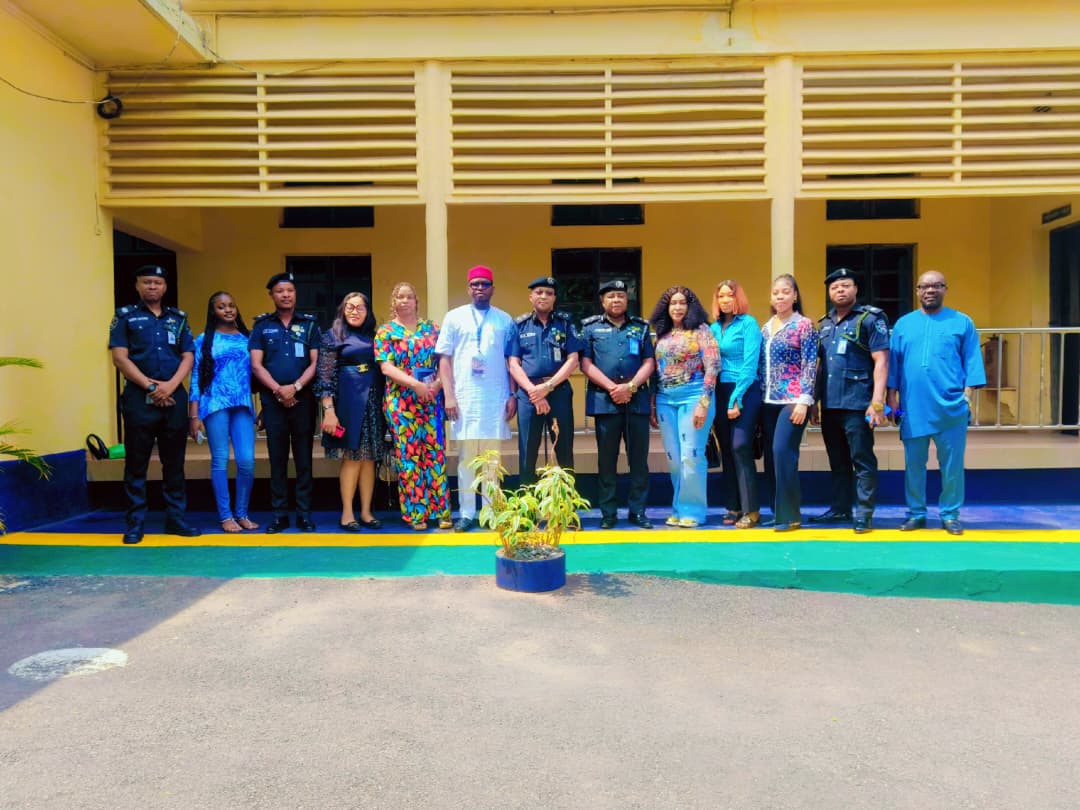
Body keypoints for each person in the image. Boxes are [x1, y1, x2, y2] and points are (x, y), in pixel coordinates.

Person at [887, 270, 985, 535]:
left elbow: (972, 361)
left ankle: (950, 514)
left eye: (936, 285)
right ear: (917, 291)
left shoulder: (962, 322)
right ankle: (916, 513)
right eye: (924, 286)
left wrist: (966, 397)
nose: (930, 290)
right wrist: (891, 398)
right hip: (913, 407)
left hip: (951, 407)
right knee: (914, 465)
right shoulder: (904, 325)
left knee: (952, 466)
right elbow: (893, 365)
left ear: (945, 289)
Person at [108, 264, 201, 545]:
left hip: (173, 397)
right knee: (136, 463)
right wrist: (151, 387)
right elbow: (120, 358)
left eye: (157, 283)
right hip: (139, 398)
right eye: (147, 282)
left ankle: (176, 519)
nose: (152, 287)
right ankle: (135, 523)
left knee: (174, 463)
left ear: (165, 287)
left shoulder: (178, 318)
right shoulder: (125, 317)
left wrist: (169, 386)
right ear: (137, 285)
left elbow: (188, 355)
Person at [435, 265, 516, 532]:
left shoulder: (504, 320)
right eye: (474, 284)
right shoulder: (454, 317)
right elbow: (444, 359)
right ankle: (467, 513)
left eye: (484, 284)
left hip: (495, 398)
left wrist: (512, 395)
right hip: (464, 398)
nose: (479, 288)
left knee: (492, 461)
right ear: (468, 288)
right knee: (466, 460)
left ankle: (491, 512)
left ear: (492, 288)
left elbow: (511, 361)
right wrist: (449, 396)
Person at [810, 267, 890, 534]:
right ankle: (841, 509)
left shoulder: (870, 319)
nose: (840, 290)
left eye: (845, 285)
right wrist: (814, 400)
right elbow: (821, 366)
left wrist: (877, 402)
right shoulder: (825, 324)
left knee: (862, 459)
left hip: (858, 403)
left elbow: (881, 361)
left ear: (855, 289)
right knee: (838, 460)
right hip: (830, 404)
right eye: (834, 287)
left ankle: (864, 514)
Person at [375, 282, 453, 531]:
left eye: (409, 297)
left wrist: (438, 385)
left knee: (435, 453)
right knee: (409, 457)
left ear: (416, 301)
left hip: (431, 400)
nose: (405, 301)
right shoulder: (386, 332)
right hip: (401, 403)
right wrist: (415, 385)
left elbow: (445, 360)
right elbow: (386, 368)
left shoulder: (432, 328)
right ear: (394, 302)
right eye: (400, 297)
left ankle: (441, 511)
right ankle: (416, 513)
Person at [580, 280, 656, 530]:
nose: (616, 300)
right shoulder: (590, 328)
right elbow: (586, 364)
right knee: (606, 460)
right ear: (603, 301)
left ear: (627, 300)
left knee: (639, 460)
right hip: (605, 402)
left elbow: (649, 362)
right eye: (611, 296)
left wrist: (629, 387)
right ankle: (608, 513)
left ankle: (638, 511)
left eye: (620, 296)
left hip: (636, 401)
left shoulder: (640, 327)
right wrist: (613, 388)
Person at [249, 271, 321, 533]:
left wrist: (296, 387)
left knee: (304, 460)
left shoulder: (310, 325)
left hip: (303, 401)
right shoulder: (261, 326)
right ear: (272, 295)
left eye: (290, 290)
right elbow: (256, 365)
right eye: (280, 291)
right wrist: (279, 390)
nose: (286, 295)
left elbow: (316, 362)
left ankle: (304, 514)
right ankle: (279, 515)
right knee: (277, 460)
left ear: (295, 294)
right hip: (273, 402)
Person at [649, 285, 719, 528]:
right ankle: (678, 508)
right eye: (673, 303)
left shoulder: (701, 330)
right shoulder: (662, 333)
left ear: (690, 307)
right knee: (674, 458)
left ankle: (694, 511)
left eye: (682, 303)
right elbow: (656, 371)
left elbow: (713, 366)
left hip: (694, 397)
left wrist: (704, 402)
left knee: (691, 455)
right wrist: (652, 404)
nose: (677, 307)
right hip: (665, 401)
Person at [188, 291, 258, 534]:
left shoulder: (248, 338)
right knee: (220, 459)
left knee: (246, 461)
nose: (228, 310)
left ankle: (242, 513)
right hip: (214, 404)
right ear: (213, 311)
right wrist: (194, 415)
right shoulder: (203, 339)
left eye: (231, 305)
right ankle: (226, 516)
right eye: (221, 306)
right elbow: (195, 377)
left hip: (242, 405)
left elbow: (258, 371)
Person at [316, 292, 386, 532]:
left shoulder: (375, 336)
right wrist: (329, 410)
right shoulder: (332, 336)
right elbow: (324, 376)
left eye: (360, 307)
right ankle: (347, 513)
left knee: (369, 458)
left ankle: (366, 512)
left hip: (373, 400)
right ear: (342, 310)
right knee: (353, 456)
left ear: (368, 312)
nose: (355, 311)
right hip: (347, 400)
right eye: (350, 307)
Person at [506, 276, 584, 485]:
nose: (544, 296)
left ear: (554, 298)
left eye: (549, 293)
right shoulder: (519, 325)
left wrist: (547, 387)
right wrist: (534, 391)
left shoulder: (565, 323)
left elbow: (573, 360)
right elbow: (513, 364)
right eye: (539, 292)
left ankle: (566, 500)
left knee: (564, 448)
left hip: (558, 391)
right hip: (528, 395)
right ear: (530, 297)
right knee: (527, 450)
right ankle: (527, 501)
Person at [759, 273, 819, 532]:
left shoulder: (804, 325)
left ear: (795, 296)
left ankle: (791, 515)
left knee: (783, 452)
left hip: (793, 400)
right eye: (775, 293)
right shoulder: (766, 327)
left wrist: (805, 400)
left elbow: (810, 364)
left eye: (785, 292)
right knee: (771, 457)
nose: (780, 296)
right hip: (767, 400)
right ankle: (777, 512)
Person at [709, 279, 763, 529]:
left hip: (744, 389)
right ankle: (734, 505)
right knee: (727, 450)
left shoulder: (748, 324)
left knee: (740, 446)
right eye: (721, 296)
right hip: (719, 390)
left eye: (730, 295)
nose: (725, 300)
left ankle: (752, 509)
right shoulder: (713, 327)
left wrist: (736, 399)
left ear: (738, 298)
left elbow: (750, 365)